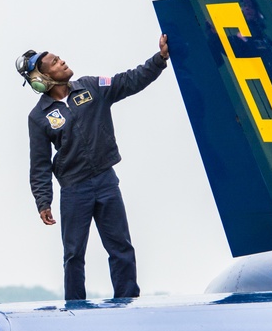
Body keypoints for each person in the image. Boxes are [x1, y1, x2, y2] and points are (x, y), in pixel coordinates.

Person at [16, 35, 169, 301]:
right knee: (74, 254)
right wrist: (43, 201)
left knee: (121, 247)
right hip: (75, 190)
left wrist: (160, 59)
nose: (61, 61)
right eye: (54, 62)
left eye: (59, 57)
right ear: (42, 79)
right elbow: (39, 164)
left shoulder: (90, 86)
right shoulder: (38, 117)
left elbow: (128, 80)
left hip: (106, 181)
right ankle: (76, 308)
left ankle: (127, 302)